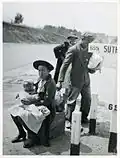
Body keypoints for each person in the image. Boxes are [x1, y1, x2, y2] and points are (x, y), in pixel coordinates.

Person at [9, 60, 56, 148]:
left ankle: (33, 137)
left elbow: (47, 101)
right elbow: (32, 90)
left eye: (43, 70)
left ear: (48, 71)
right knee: (13, 110)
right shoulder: (40, 80)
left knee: (22, 115)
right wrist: (21, 94)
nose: (40, 73)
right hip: (36, 104)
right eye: (39, 70)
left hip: (47, 108)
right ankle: (22, 133)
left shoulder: (51, 83)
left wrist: (31, 102)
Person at [56, 32, 99, 128]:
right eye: (88, 41)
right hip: (75, 79)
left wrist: (93, 69)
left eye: (91, 41)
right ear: (82, 39)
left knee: (87, 99)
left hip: (86, 79)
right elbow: (64, 65)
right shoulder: (73, 49)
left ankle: (83, 117)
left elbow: (89, 64)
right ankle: (68, 119)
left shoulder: (90, 50)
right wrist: (60, 81)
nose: (89, 43)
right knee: (72, 100)